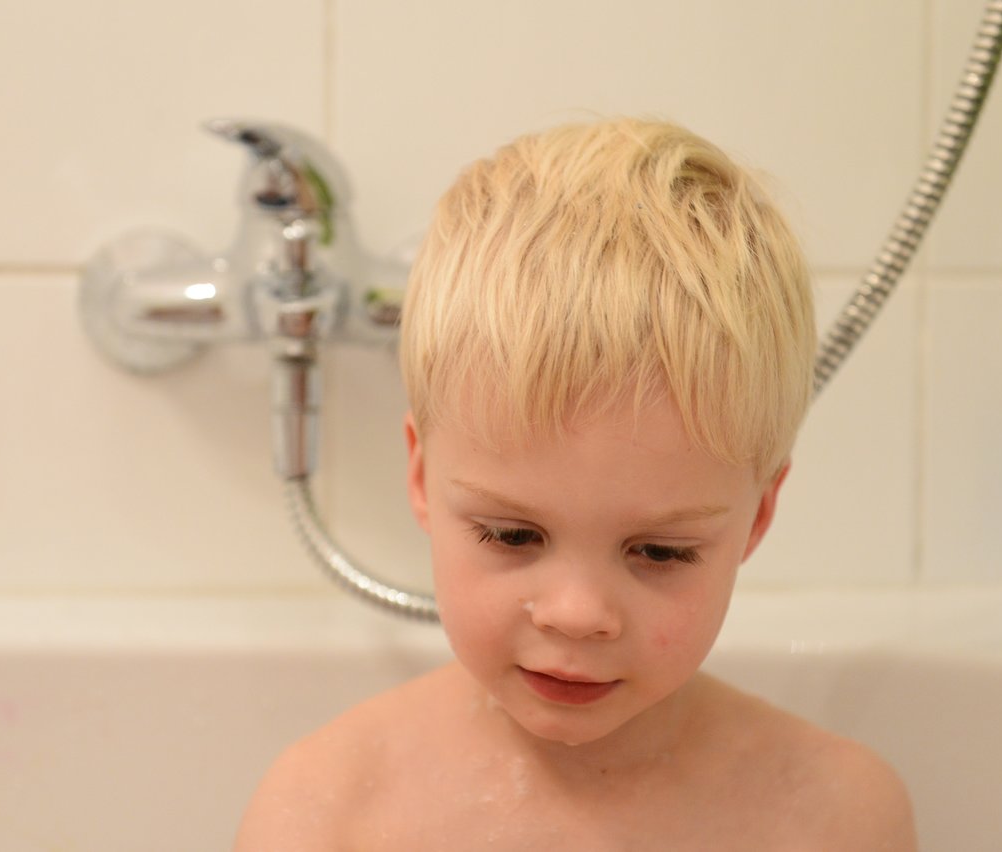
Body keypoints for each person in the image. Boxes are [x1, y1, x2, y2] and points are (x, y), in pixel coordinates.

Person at [234, 118, 916, 850]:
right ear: (422, 476)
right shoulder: (328, 813)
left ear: (757, 518)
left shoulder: (831, 818)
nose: (577, 614)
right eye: (512, 534)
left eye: (658, 552)